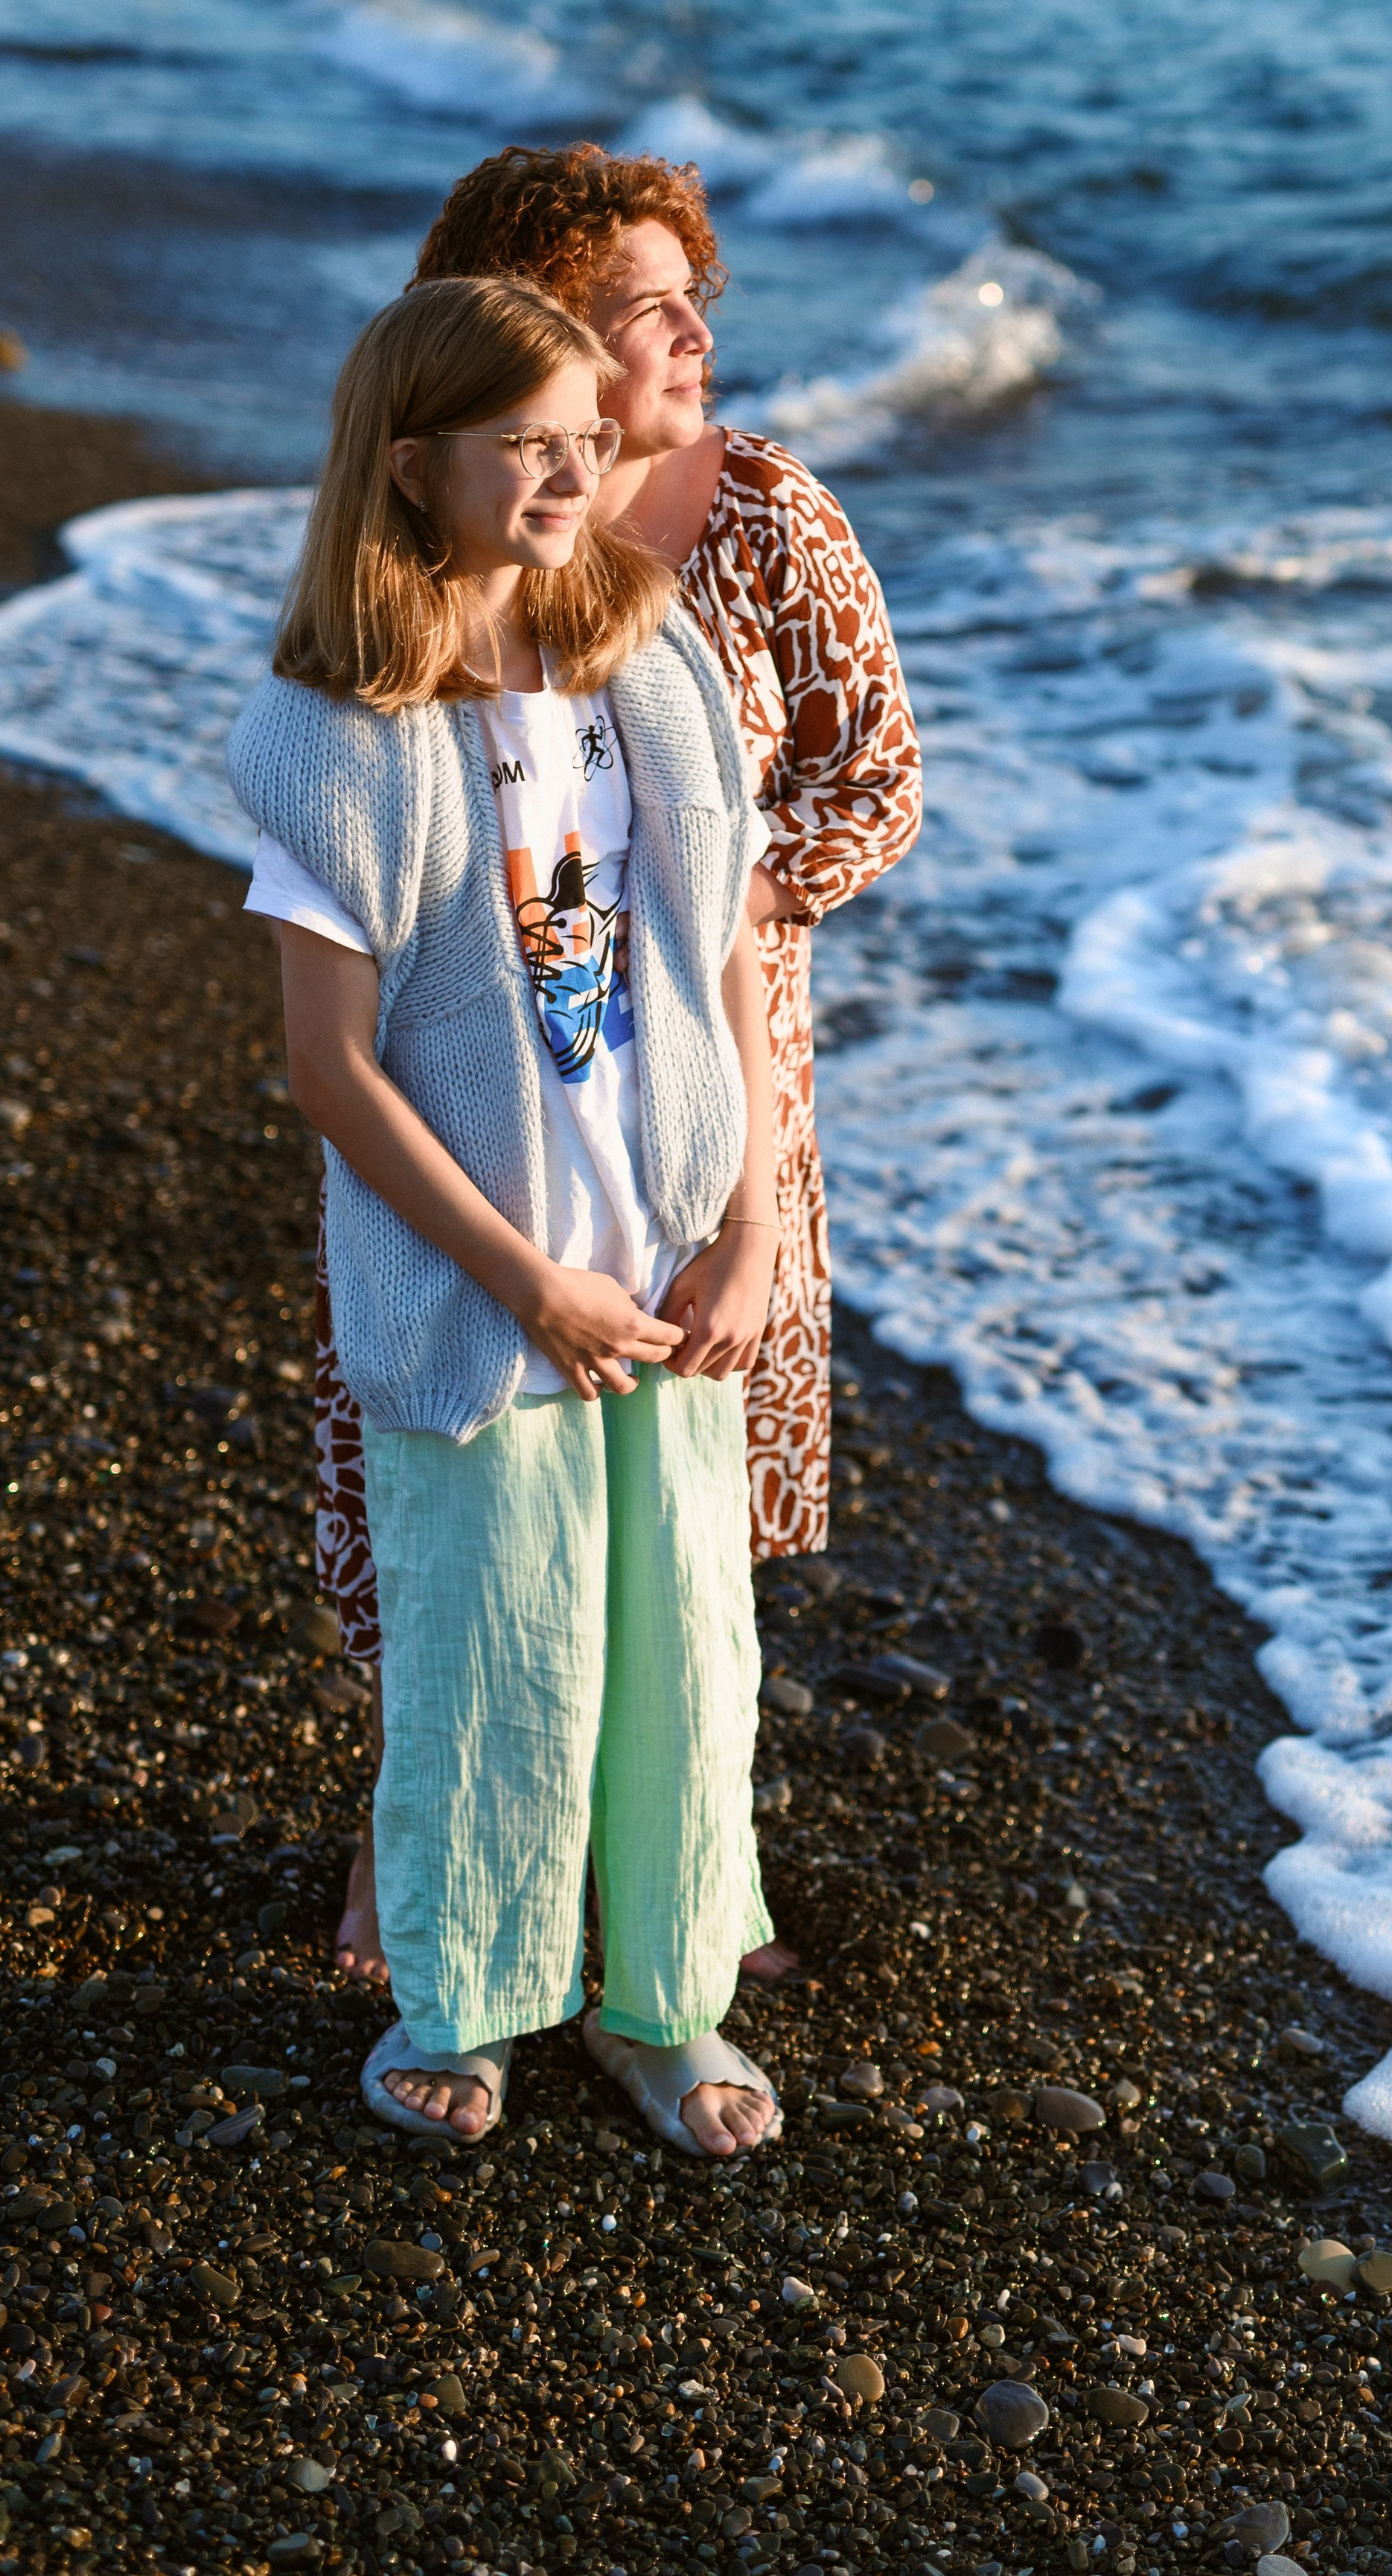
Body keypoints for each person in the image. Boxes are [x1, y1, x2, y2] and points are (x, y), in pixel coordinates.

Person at [322, 142, 923, 1989]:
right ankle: (418, 1849)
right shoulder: (426, 543)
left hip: (707, 1082)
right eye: (639, 303)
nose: (690, 334)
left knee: (678, 1478)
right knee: (454, 1453)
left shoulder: (768, 524)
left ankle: (666, 1881)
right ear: (515, 338)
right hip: (460, 1078)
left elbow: (871, 785)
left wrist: (716, 926)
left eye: (694, 295)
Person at [233, 275, 784, 2155]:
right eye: (519, 445)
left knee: (687, 1657)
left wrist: (754, 1230)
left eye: (579, 438)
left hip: (668, 1269)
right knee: (492, 1648)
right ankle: (460, 1998)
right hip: (493, 1294)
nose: (565, 473)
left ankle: (667, 2006)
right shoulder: (341, 728)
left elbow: (730, 966)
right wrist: (524, 1275)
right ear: (415, 466)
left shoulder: (659, 673)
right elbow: (331, 1070)